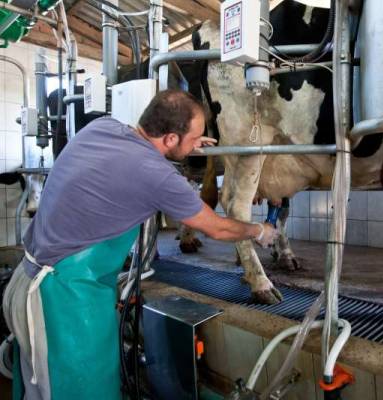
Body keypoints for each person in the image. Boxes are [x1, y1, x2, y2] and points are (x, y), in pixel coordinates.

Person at [2, 89, 277, 400]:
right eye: (195, 136)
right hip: (61, 303)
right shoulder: (157, 176)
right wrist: (258, 230)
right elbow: (217, 229)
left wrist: (189, 142)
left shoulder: (102, 128)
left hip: (26, 282)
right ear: (171, 139)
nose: (199, 142)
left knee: (39, 390)